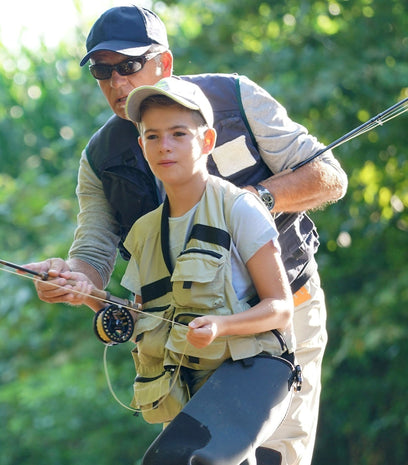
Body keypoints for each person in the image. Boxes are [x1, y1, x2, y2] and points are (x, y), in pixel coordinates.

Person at [24, 5, 348, 465]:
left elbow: (329, 177)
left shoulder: (236, 98)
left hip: (284, 314)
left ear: (165, 63)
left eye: (129, 66)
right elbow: (92, 253)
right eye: (103, 70)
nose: (117, 82)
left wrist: (251, 202)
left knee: (278, 459)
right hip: (186, 343)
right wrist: (69, 277)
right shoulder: (100, 159)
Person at [79, 75, 300, 465]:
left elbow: (281, 307)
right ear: (141, 145)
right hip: (187, 389)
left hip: (251, 375)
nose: (165, 146)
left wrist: (221, 326)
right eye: (152, 136)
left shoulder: (239, 208)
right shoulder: (145, 232)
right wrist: (85, 294)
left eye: (179, 134)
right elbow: (142, 317)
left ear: (207, 141)